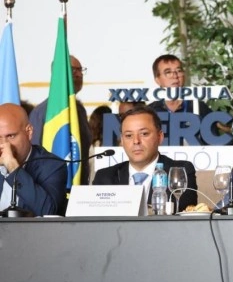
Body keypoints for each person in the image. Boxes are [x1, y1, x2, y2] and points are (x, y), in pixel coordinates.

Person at [92, 106, 198, 212]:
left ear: (160, 137)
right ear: (122, 141)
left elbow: (185, 214)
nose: (136, 141)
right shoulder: (104, 177)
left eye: (144, 134)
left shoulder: (179, 171)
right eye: (129, 135)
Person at [29, 55, 92, 185]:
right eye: (73, 70)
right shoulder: (43, 112)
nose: (79, 74)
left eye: (80, 70)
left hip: (80, 186)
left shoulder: (80, 110)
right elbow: (35, 154)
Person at [147, 54, 233, 145]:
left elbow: (214, 143)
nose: (175, 76)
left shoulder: (199, 107)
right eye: (168, 72)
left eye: (179, 71)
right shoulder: (150, 111)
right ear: (157, 79)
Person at [0, 103, 67, 216]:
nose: (4, 145)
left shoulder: (53, 166)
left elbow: (48, 212)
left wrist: (12, 167)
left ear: (29, 132)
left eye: (11, 136)